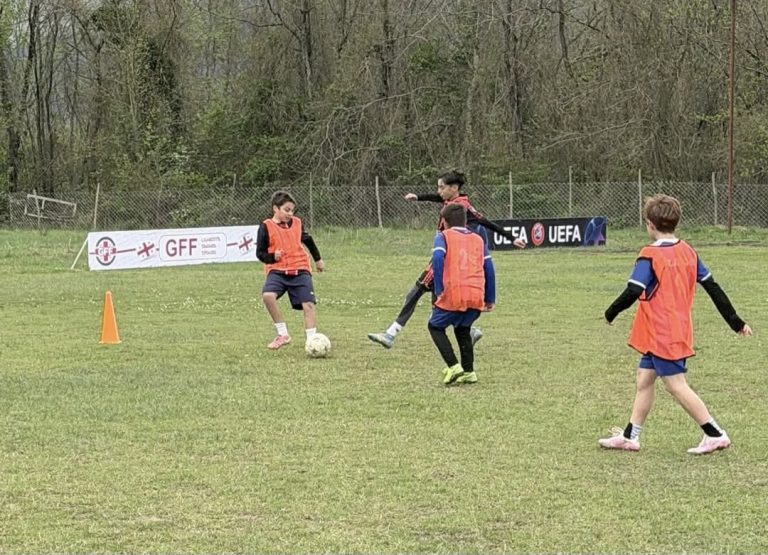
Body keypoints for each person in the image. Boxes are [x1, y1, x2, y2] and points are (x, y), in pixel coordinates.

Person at [600, 194, 752, 455]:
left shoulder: (649, 255)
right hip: (666, 331)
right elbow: (713, 288)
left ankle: (715, 434)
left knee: (676, 385)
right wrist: (735, 321)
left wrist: (610, 313)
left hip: (663, 333)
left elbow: (633, 290)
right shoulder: (688, 251)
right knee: (644, 379)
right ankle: (630, 436)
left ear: (650, 224)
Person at [368, 171, 524, 349]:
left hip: (444, 257)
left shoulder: (462, 207)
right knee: (439, 302)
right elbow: (438, 198)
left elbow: (485, 222)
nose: (439, 191)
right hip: (448, 258)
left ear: (454, 188)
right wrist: (418, 197)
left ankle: (390, 334)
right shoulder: (452, 201)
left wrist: (512, 238)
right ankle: (470, 331)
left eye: (442, 187)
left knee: (415, 292)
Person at [428, 203, 496, 385]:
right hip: (476, 295)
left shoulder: (443, 236)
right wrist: (490, 298)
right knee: (463, 329)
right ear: (465, 221)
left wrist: (439, 288)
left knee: (435, 326)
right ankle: (469, 372)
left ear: (444, 221)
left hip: (454, 293)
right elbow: (489, 268)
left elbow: (437, 258)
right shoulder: (478, 239)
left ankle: (453, 366)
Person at [256, 191, 325, 350]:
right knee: (268, 296)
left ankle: (311, 341)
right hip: (277, 271)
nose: (290, 214)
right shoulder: (266, 226)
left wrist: (318, 259)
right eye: (286, 210)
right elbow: (260, 253)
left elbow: (308, 240)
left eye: (292, 210)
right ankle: (283, 334)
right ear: (275, 208)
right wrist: (272, 257)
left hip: (300, 269)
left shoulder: (297, 223)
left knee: (308, 304)